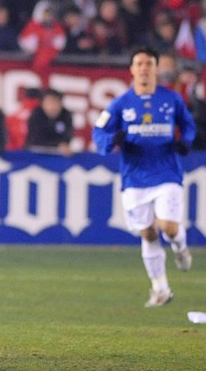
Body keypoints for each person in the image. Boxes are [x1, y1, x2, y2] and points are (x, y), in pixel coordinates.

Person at [92, 46, 196, 308]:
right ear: (132, 69)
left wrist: (186, 141)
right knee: (148, 233)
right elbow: (99, 131)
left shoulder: (171, 99)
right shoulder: (120, 104)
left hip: (166, 172)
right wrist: (111, 140)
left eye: (149, 63)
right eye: (139, 64)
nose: (144, 69)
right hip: (135, 177)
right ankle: (160, 288)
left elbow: (188, 125)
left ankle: (180, 248)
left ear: (156, 68)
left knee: (168, 227)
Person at [25, 88, 74, 155]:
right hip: (36, 152)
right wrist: (57, 144)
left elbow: (67, 136)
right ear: (42, 103)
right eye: (49, 102)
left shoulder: (66, 115)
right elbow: (36, 138)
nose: (52, 106)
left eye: (55, 102)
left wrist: (63, 145)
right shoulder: (36, 115)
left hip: (58, 153)